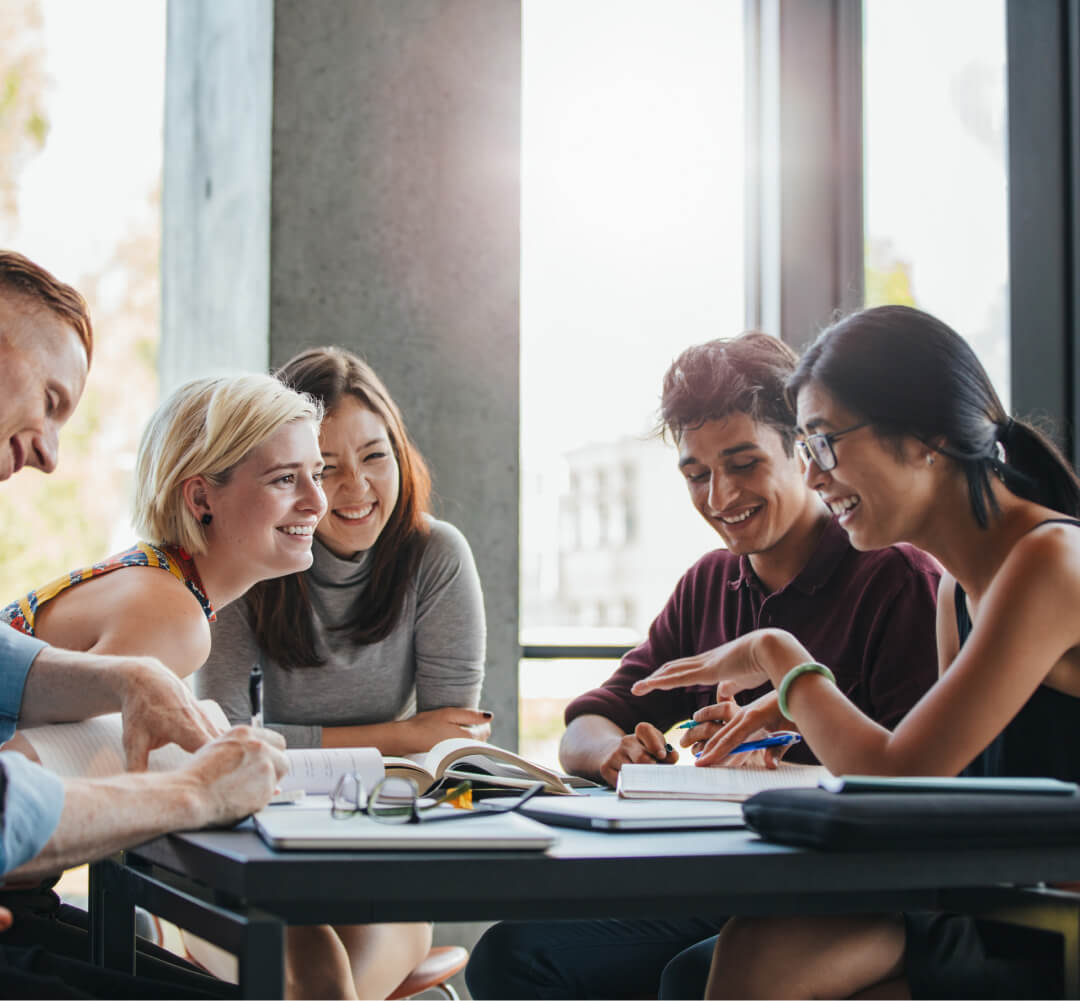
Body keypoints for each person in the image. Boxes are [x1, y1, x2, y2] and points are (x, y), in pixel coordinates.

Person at [467, 331, 942, 1000]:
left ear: (801, 452)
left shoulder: (893, 577)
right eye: (696, 473)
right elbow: (586, 723)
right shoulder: (710, 582)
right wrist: (617, 753)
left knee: (692, 976)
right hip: (729, 884)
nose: (719, 496)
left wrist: (779, 772)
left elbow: (913, 791)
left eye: (743, 464)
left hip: (852, 895)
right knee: (511, 955)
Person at [633, 304, 1080, 999]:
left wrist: (781, 659)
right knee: (725, 957)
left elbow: (900, 779)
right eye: (807, 449)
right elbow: (919, 802)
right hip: (995, 910)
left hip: (1056, 926)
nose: (812, 476)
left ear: (926, 435)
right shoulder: (955, 596)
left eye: (825, 442)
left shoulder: (1050, 560)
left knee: (758, 956)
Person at [0, 249, 288, 999]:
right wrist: (195, 792)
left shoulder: (166, 596)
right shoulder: (172, 611)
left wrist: (126, 678)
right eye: (51, 399)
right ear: (204, 498)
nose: (50, 455)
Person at [196, 345, 488, 999]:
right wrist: (400, 735)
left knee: (328, 987)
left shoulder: (436, 556)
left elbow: (450, 751)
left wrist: (407, 741)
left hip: (383, 854)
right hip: (259, 851)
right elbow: (224, 748)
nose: (355, 488)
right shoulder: (243, 563)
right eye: (325, 468)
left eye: (374, 456)